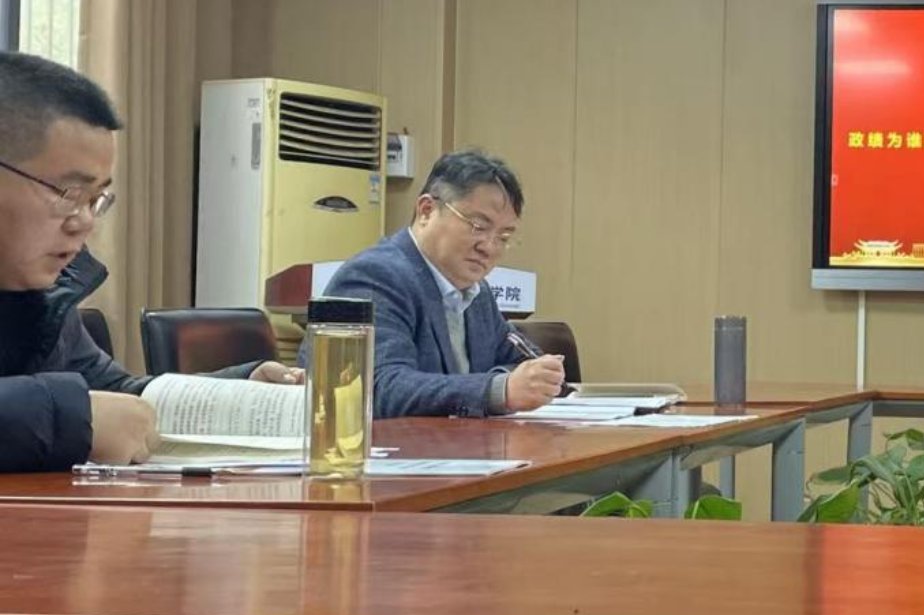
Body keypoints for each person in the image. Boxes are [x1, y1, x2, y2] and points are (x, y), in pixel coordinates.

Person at [0, 52, 299, 474]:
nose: (84, 222)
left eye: (96, 200)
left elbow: (112, 393)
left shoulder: (48, 289)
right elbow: (85, 410)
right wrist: (74, 417)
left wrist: (238, 392)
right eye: (69, 194)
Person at [312, 149, 565, 419]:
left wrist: (525, 380)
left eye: (503, 237)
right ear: (426, 210)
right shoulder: (374, 276)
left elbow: (522, 360)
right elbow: (377, 388)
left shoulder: (476, 292)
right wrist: (497, 390)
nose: (489, 247)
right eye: (478, 226)